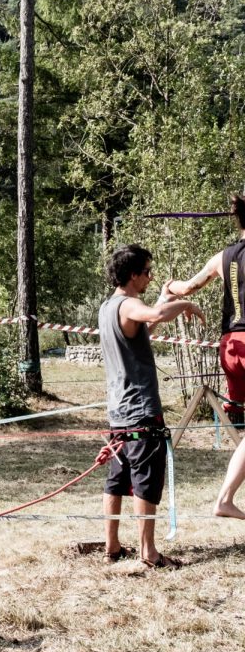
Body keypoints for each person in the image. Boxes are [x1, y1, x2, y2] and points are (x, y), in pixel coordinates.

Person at [99, 244, 204, 569]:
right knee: (146, 479)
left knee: (117, 478)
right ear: (133, 274)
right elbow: (155, 316)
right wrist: (187, 302)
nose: (150, 276)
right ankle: (149, 552)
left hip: (118, 411)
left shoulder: (109, 307)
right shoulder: (129, 304)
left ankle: (112, 546)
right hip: (141, 410)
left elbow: (145, 325)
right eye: (147, 271)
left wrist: (165, 298)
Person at [164, 194, 245, 518]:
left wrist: (169, 285)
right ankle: (224, 500)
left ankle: (226, 499)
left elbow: (186, 288)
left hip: (230, 347)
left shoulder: (222, 258)